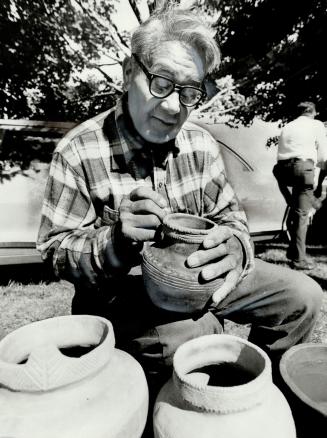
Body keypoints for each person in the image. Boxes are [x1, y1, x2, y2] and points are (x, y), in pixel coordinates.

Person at [37, 5, 322, 389]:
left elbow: (231, 218)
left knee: (301, 295)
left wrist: (236, 247)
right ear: (128, 73)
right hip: (125, 295)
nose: (174, 107)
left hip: (202, 277)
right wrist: (114, 243)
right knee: (195, 334)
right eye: (161, 82)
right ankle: (180, 427)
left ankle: (262, 401)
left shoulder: (200, 144)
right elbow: (55, 251)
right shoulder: (78, 150)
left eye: (190, 92)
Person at [273, 101, 327, 270]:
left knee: (296, 209)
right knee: (302, 215)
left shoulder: (288, 126)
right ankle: (299, 261)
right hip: (302, 169)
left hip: (282, 171)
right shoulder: (316, 124)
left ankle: (292, 252)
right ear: (314, 113)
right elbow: (323, 157)